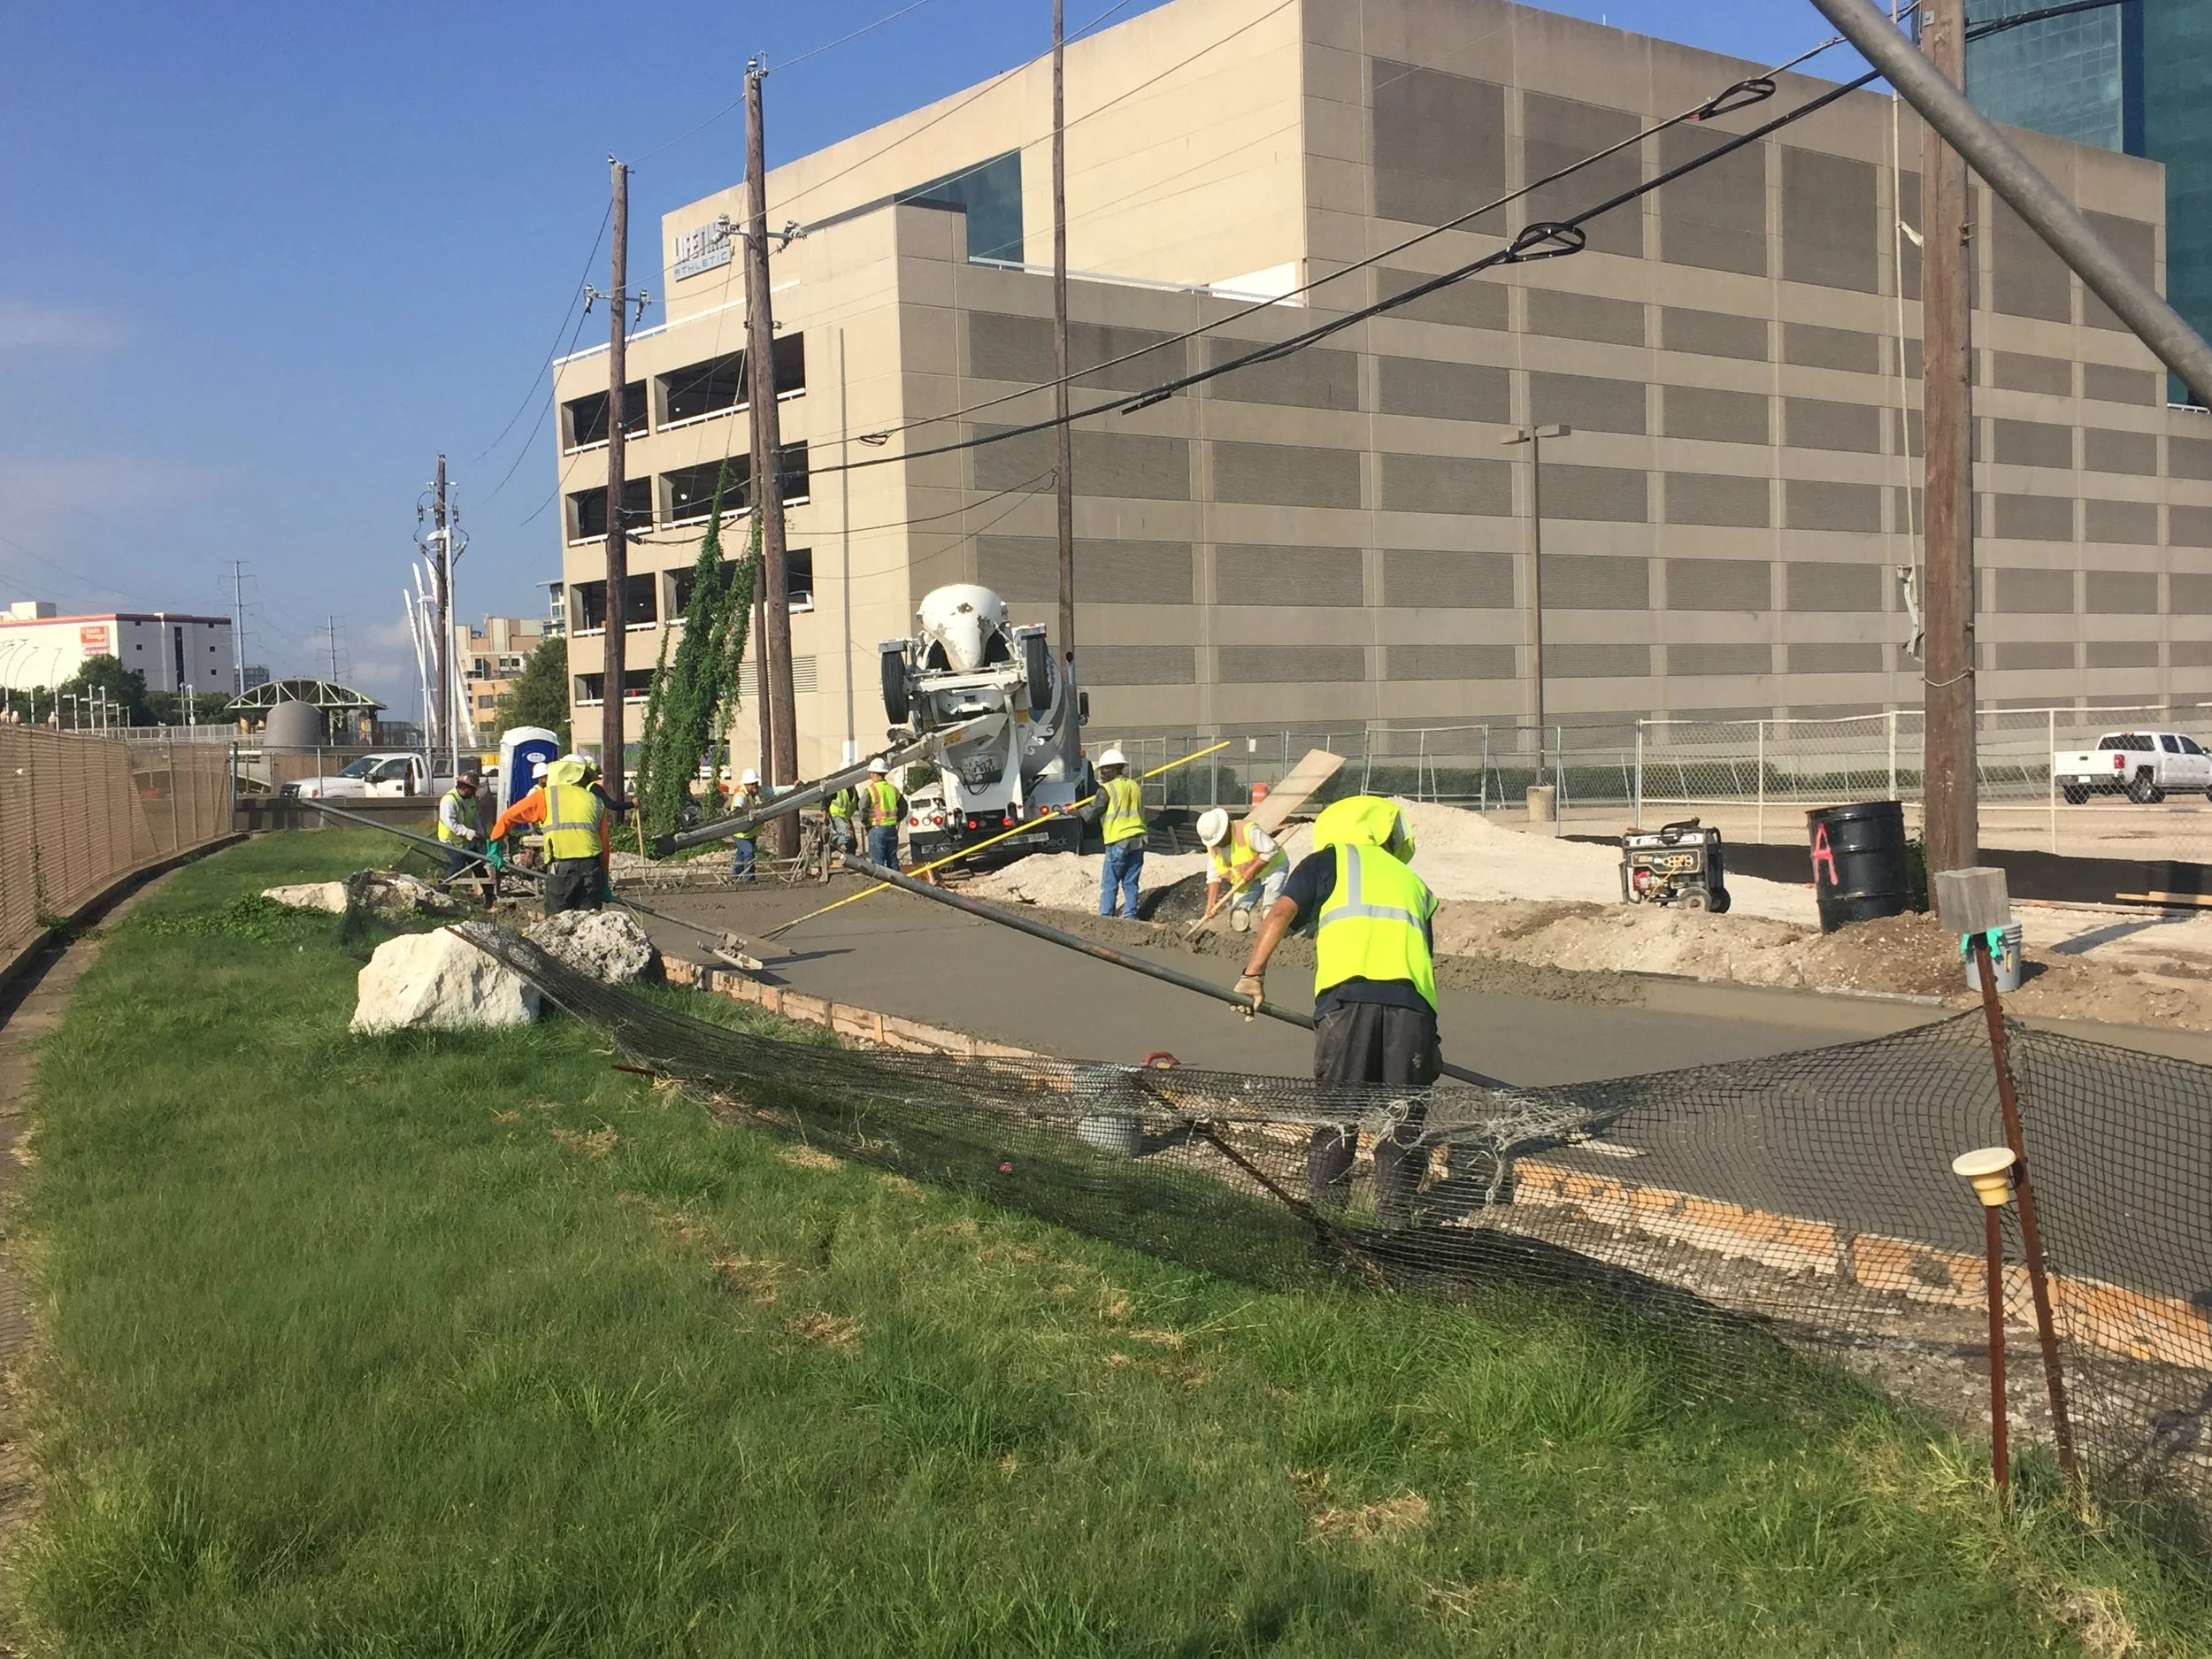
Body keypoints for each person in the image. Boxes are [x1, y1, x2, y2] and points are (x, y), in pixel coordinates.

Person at [1233, 795, 1440, 1227]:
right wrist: (1431, 1041)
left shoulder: (1328, 861)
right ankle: (1395, 1223)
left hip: (1347, 1005)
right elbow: (1423, 959)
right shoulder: (1414, 882)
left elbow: (1280, 912)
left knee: (1338, 1117)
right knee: (1402, 1123)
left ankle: (1327, 1225)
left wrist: (1253, 974)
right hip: (1413, 1012)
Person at [489, 755, 610, 916]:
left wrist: (495, 847)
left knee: (557, 923)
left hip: (562, 869)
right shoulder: (595, 800)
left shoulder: (545, 796)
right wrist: (604, 882)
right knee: (589, 924)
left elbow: (508, 817)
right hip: (591, 869)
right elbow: (604, 845)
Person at [1196, 806, 1286, 932]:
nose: (1218, 844)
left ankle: (1276, 934)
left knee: (1269, 911)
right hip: (1246, 881)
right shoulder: (1213, 847)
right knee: (1238, 918)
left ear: (1226, 828)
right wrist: (1211, 903)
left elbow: (1271, 849)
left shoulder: (1247, 831)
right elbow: (1213, 876)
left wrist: (1253, 870)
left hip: (1273, 869)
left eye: (1220, 839)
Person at [1082, 748, 1147, 918]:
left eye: (1104, 769)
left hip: (1118, 840)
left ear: (1115, 768)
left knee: (1110, 882)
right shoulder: (1134, 786)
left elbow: (1092, 813)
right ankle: (1130, 914)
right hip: (1138, 839)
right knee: (1131, 882)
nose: (1102, 774)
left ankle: (1106, 915)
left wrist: (1071, 812)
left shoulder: (1107, 789)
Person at [434, 769, 486, 893]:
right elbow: (451, 824)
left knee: (478, 865)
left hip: (467, 840)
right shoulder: (449, 800)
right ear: (464, 788)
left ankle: (490, 895)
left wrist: (480, 832)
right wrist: (469, 833)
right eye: (473, 789)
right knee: (459, 864)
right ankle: (441, 891)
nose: (474, 792)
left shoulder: (470, 799)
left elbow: (475, 817)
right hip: (451, 840)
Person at [861, 758, 903, 869]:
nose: (870, 775)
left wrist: (866, 823)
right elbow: (904, 807)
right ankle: (897, 883)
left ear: (875, 774)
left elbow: (862, 808)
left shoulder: (870, 790)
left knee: (878, 862)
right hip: (891, 829)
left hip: (877, 829)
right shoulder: (893, 789)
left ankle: (881, 884)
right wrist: (896, 819)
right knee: (892, 858)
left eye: (871, 773)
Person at [728, 768, 762, 882]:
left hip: (750, 833)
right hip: (740, 833)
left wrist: (793, 787)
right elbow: (739, 801)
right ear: (746, 784)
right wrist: (738, 808)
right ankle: (749, 878)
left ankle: (734, 876)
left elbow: (776, 791)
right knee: (749, 852)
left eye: (756, 783)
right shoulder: (741, 794)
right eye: (752, 784)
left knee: (741, 854)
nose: (755, 786)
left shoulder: (758, 793)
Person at [826, 780, 858, 855]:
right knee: (848, 836)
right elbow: (826, 799)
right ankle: (831, 845)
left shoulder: (852, 789)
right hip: (837, 816)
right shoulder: (837, 788)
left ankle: (850, 860)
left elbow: (857, 804)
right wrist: (824, 813)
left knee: (853, 843)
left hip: (846, 817)